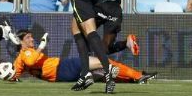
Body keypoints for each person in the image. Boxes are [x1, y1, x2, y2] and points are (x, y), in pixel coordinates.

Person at [11, 30, 156, 84]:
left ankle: (133, 79)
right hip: (62, 68)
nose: (32, 40)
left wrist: (9, 75)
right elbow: (30, 60)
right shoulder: (26, 54)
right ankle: (138, 76)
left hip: (61, 74)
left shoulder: (19, 59)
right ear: (20, 41)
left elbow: (14, 74)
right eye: (28, 37)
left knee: (101, 73)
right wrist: (42, 45)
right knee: (103, 62)